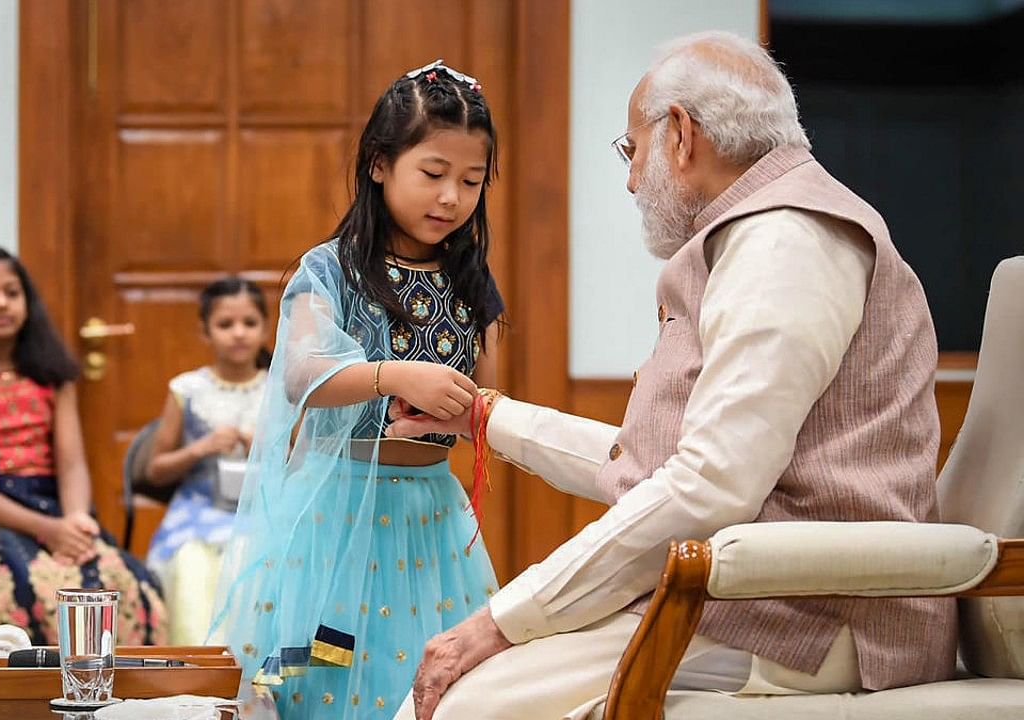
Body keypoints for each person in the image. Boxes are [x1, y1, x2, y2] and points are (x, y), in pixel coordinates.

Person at [387, 32, 953, 720]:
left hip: (809, 618)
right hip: (755, 594)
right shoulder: (757, 235)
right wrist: (486, 418)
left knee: (459, 705)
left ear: (680, 135)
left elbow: (708, 484)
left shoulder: (785, 241)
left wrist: (499, 622)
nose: (629, 179)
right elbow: (664, 467)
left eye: (632, 151)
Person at [210, 59, 505, 718]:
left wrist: (460, 414)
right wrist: (394, 376)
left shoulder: (469, 279)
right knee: (324, 669)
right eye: (433, 174)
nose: (452, 198)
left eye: (471, 181)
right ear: (379, 164)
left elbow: (483, 397)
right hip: (340, 522)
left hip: (432, 516)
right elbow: (303, 373)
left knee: (436, 680)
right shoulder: (332, 269)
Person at [0, 246, 166, 654]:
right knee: (31, 588)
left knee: (126, 584)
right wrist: (46, 530)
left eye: (12, 292)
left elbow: (72, 462)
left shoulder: (51, 374)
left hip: (54, 510)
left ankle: (103, 708)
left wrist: (76, 519)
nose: (2, 303)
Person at [143, 278, 271, 645]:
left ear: (265, 327)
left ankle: (251, 676)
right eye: (225, 324)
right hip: (198, 509)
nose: (239, 334)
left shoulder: (278, 389)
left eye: (249, 323)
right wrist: (201, 448)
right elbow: (155, 468)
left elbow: (302, 460)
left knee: (251, 561)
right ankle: (196, 665)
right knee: (190, 565)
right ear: (205, 331)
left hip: (261, 511)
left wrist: (261, 445)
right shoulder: (187, 389)